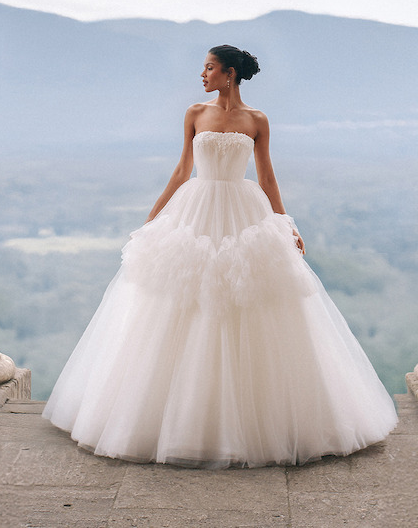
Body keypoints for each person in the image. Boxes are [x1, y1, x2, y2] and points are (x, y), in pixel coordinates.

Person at [43, 45, 398, 467]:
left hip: (243, 214)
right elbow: (181, 171)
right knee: (180, 300)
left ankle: (253, 424)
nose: (202, 74)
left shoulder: (257, 120)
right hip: (195, 210)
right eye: (204, 68)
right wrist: (152, 219)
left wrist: (285, 223)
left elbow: (266, 175)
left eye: (209, 68)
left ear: (229, 73)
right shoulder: (195, 113)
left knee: (248, 300)